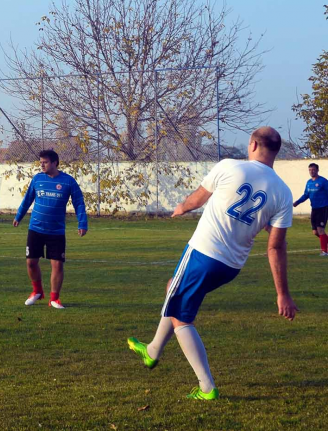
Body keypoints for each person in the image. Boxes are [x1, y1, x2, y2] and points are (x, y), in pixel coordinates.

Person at [127, 127, 297, 401]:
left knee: (182, 317)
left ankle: (206, 386)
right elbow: (275, 245)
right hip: (230, 267)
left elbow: (198, 198)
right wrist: (283, 294)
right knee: (174, 289)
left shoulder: (229, 167)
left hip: (203, 253)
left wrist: (182, 207)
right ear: (276, 151)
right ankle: (153, 350)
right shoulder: (283, 193)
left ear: (253, 144)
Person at [13, 150, 87, 309]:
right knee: (31, 263)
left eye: (45, 162)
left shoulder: (68, 182)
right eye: (40, 162)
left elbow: (79, 203)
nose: (42, 165)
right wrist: (18, 216)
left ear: (55, 163)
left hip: (56, 231)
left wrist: (82, 223)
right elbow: (27, 200)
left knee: (57, 265)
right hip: (36, 228)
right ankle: (37, 291)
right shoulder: (37, 179)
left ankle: (54, 298)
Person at [292, 162, 328, 256]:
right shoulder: (309, 182)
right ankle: (325, 245)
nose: (311, 171)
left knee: (320, 229)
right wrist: (297, 202)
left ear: (317, 170)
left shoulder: (323, 181)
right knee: (315, 232)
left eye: (313, 170)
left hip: (323, 208)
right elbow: (306, 195)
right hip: (314, 209)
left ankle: (324, 251)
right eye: (310, 170)